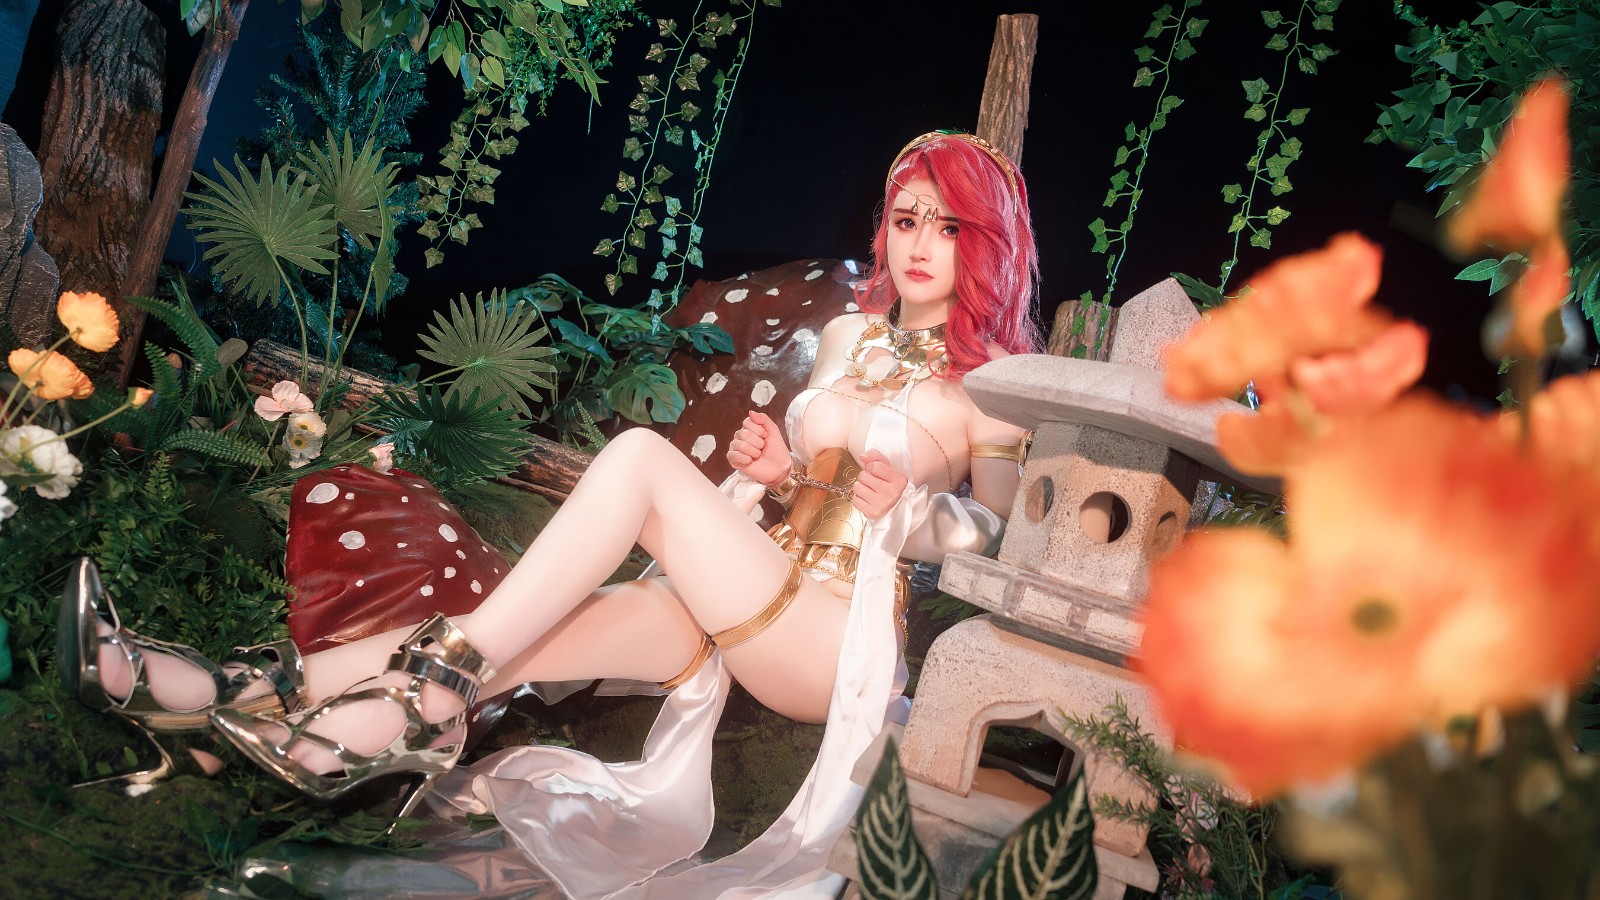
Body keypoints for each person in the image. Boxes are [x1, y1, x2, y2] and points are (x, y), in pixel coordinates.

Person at [62, 131, 1041, 897]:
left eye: (951, 226)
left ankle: (424, 699)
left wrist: (918, 512)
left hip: (833, 636)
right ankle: (208, 693)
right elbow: (810, 488)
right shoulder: (844, 337)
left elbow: (1000, 548)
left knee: (641, 459)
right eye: (907, 219)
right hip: (756, 576)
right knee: (542, 635)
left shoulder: (997, 387)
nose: (921, 244)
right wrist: (782, 473)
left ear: (990, 242)